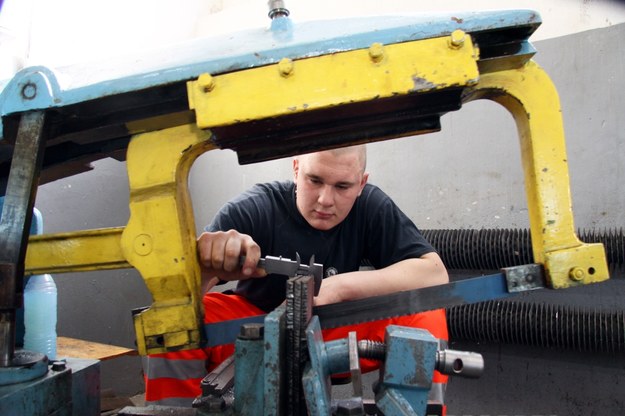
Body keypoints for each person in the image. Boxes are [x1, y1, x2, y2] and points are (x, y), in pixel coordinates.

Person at [144, 145, 449, 407]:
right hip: (255, 330)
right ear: (295, 169)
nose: (325, 199)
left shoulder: (371, 206)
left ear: (361, 184)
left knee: (424, 314)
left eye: (342, 186)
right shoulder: (254, 209)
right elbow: (173, 305)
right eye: (314, 180)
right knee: (176, 326)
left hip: (332, 328)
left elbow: (434, 273)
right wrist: (207, 269)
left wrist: (341, 287)